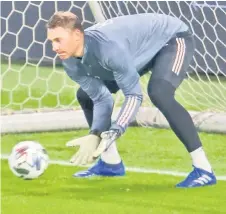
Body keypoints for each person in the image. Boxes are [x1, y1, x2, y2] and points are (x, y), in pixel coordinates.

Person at [46, 11, 216, 188]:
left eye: (59, 40)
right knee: (85, 95)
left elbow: (134, 95)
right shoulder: (70, 63)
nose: (54, 48)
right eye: (51, 41)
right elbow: (101, 98)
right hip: (135, 53)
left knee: (160, 92)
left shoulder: (108, 49)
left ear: (77, 35)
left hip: (171, 38)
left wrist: (114, 131)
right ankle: (110, 162)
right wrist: (95, 133)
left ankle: (203, 168)